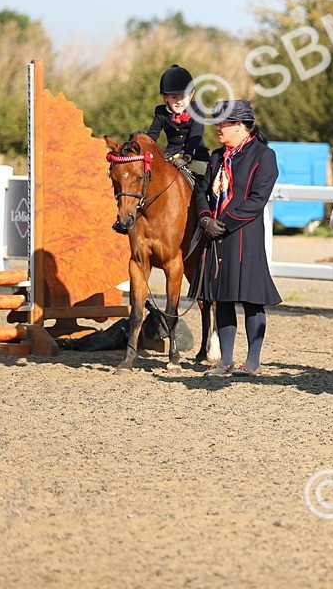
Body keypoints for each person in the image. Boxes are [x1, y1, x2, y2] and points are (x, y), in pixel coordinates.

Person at [189, 99, 282, 377]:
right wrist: (205, 218)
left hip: (245, 235)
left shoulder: (264, 156)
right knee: (224, 297)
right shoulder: (217, 157)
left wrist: (225, 223)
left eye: (223, 124)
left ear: (240, 126)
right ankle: (225, 360)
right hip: (215, 237)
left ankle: (252, 361)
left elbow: (257, 200)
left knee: (251, 298)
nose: (217, 128)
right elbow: (201, 192)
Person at [112, 64, 211, 233]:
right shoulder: (161, 112)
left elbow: (196, 135)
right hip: (170, 155)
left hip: (195, 156)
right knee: (146, 181)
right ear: (165, 97)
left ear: (192, 95)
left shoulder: (197, 110)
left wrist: (186, 158)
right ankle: (130, 218)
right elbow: (153, 136)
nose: (179, 101)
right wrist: (141, 144)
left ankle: (209, 218)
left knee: (205, 184)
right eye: (173, 97)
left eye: (183, 96)